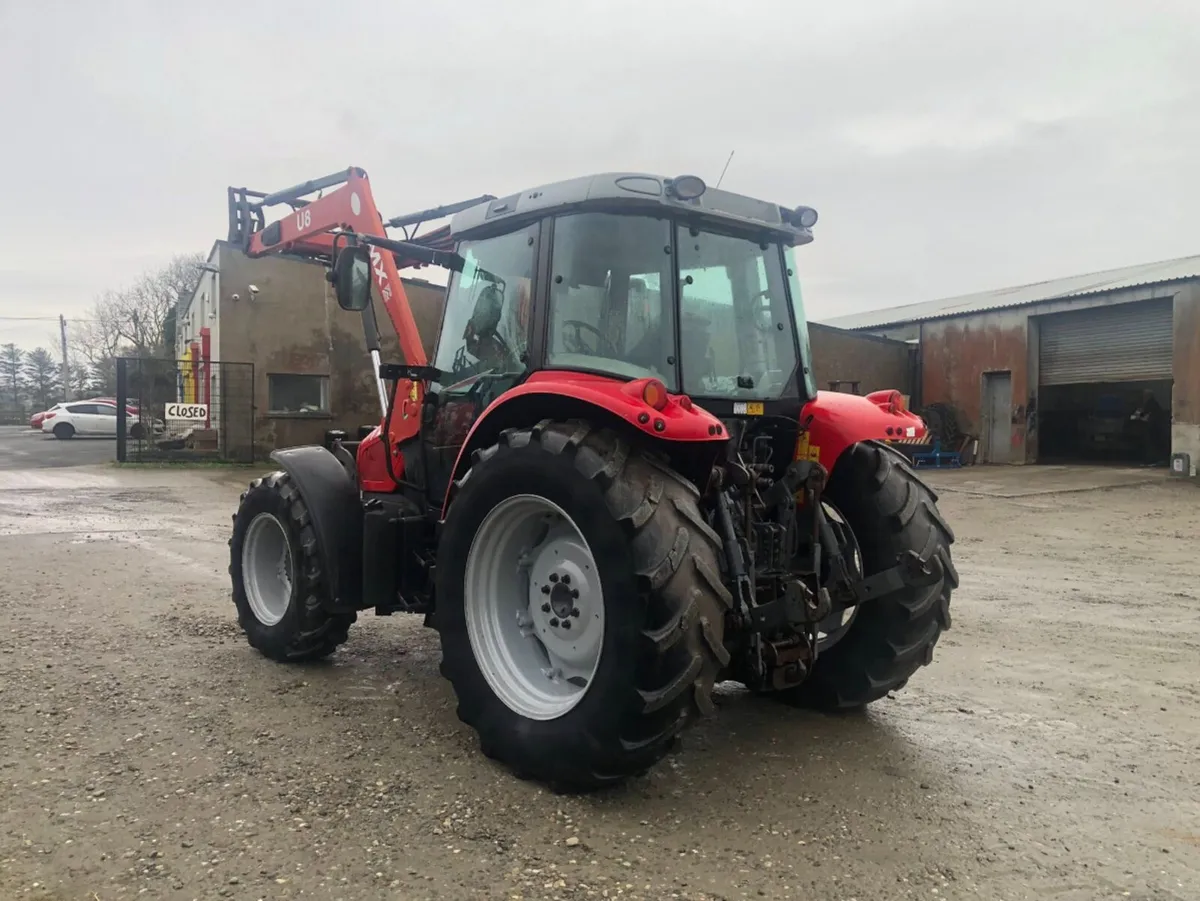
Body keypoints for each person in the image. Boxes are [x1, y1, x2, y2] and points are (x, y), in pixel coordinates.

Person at [1128, 389, 1167, 466]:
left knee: (1151, 444)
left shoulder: (1150, 404)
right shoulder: (1149, 404)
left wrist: (1136, 416)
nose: (1143, 397)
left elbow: (1143, 414)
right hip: (1152, 428)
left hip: (1152, 428)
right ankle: (1153, 460)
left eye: (1145, 395)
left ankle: (1152, 460)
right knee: (1151, 444)